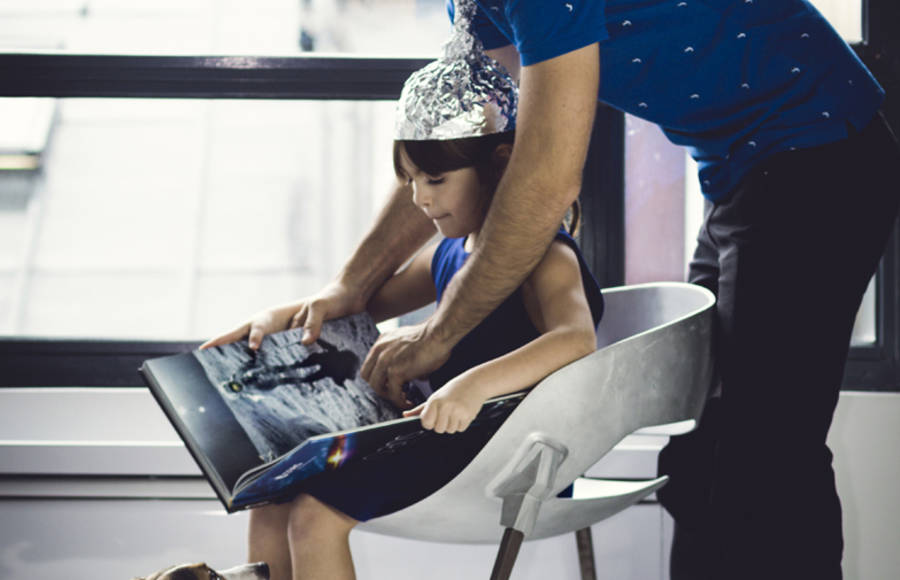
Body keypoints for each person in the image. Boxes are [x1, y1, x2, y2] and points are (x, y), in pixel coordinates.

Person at [211, 1, 900, 578]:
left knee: (767, 454)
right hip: (741, 169)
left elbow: (542, 176)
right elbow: (450, 152)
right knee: (702, 457)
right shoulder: (475, 8)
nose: (427, 198)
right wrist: (348, 289)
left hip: (817, 151)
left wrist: (440, 338)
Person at [203, 25, 605, 579]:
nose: (420, 198)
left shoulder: (545, 254)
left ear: (500, 163)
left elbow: (576, 340)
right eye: (411, 180)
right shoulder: (450, 250)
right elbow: (366, 305)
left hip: (509, 451)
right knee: (274, 492)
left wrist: (472, 385)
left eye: (435, 178)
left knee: (315, 516)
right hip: (436, 433)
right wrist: (283, 317)